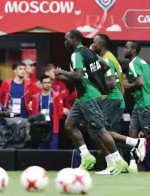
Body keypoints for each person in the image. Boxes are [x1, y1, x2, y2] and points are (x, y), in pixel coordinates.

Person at [54, 29, 128, 175]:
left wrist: (61, 72)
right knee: (69, 125)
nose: (65, 42)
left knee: (99, 130)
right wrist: (95, 79)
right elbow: (105, 66)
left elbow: (78, 75)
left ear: (75, 39)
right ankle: (86, 157)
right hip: (84, 96)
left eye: (66, 39)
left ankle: (119, 161)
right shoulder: (90, 53)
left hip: (88, 97)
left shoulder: (76, 54)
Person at [90, 34, 146, 174]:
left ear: (101, 44)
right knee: (102, 132)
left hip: (111, 99)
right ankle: (118, 160)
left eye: (94, 42)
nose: (92, 44)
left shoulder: (107, 59)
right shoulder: (107, 58)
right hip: (113, 99)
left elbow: (111, 83)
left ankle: (128, 150)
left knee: (101, 132)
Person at [30, 75, 64, 149]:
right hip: (40, 128)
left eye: (49, 82)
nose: (47, 84)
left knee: (53, 150)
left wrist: (53, 119)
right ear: (41, 84)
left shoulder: (56, 96)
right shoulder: (35, 97)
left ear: (51, 83)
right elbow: (34, 113)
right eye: (45, 83)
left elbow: (60, 113)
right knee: (41, 152)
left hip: (52, 127)